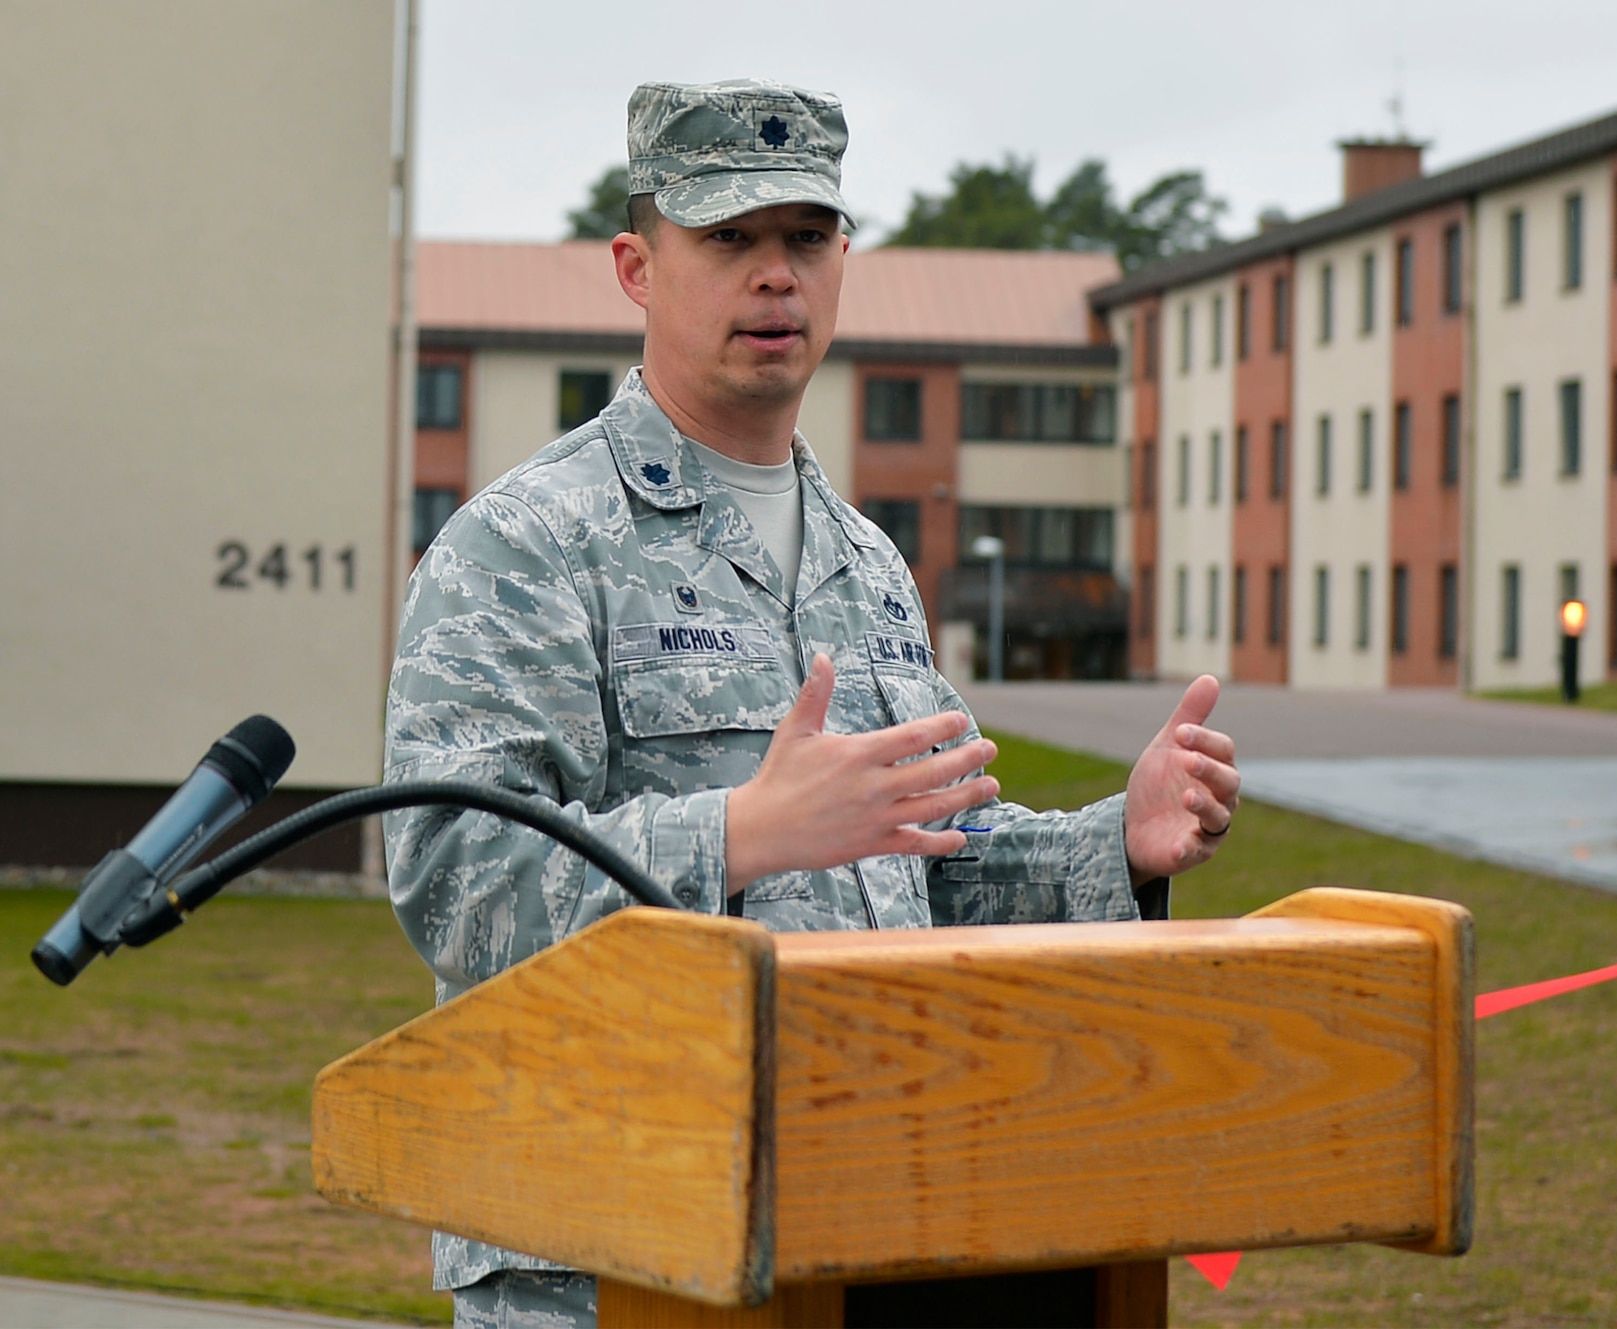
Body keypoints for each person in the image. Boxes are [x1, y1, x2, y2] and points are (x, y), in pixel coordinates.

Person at [383, 79, 1241, 1329]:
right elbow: (451, 878)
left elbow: (926, 863)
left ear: (845, 262)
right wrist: (734, 836)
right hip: (607, 1256)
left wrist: (1117, 839)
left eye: (802, 238)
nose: (772, 277)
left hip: (859, 1234)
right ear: (636, 265)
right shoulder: (525, 543)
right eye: (728, 239)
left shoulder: (867, 560)